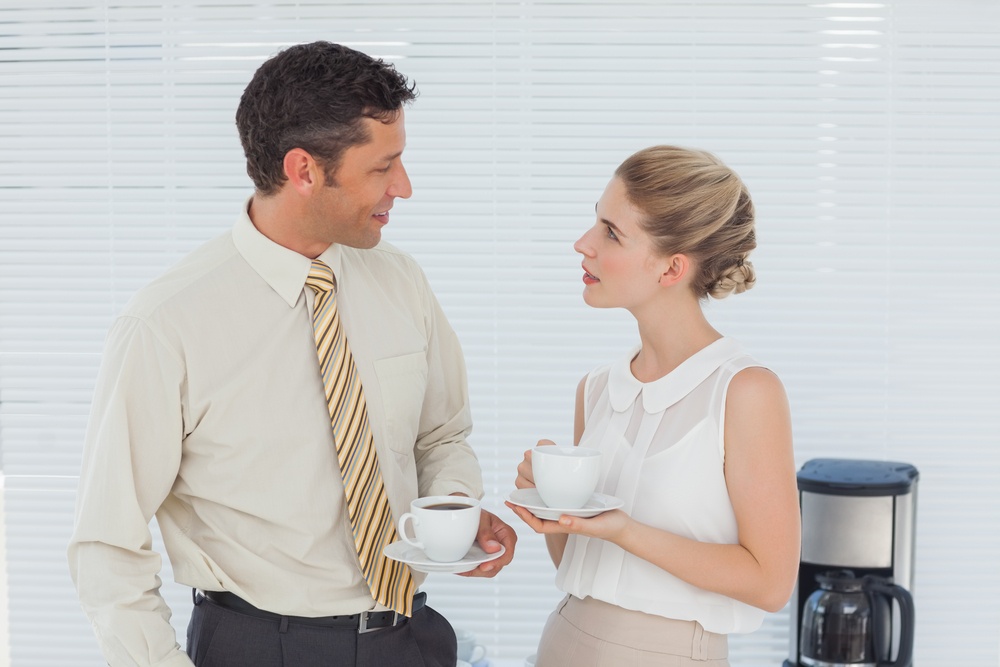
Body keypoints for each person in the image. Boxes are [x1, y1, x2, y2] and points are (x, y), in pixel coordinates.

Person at [68, 41, 516, 667]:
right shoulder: (165, 324)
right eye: (382, 167)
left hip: (410, 638)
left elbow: (440, 435)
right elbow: (106, 546)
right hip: (259, 647)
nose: (404, 188)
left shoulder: (401, 281)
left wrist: (453, 513)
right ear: (304, 170)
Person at [506, 145, 800, 666]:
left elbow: (771, 583)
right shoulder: (596, 389)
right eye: (594, 222)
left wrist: (623, 528)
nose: (583, 244)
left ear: (671, 269)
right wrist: (555, 510)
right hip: (564, 638)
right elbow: (577, 562)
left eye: (611, 232)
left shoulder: (744, 391)